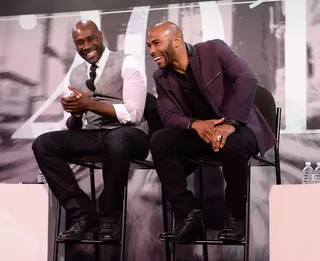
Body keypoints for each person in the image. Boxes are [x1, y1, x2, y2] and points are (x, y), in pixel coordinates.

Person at [146, 22, 276, 242]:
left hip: (240, 127)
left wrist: (231, 123)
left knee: (232, 142)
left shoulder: (214, 50)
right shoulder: (161, 77)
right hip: (204, 135)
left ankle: (236, 219)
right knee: (160, 140)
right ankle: (189, 215)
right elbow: (168, 115)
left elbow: (247, 78)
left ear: (176, 40)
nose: (151, 51)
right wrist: (195, 124)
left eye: (156, 43)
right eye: (149, 46)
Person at [32, 20, 149, 241]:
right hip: (95, 134)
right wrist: (76, 115)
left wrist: (90, 105)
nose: (86, 46)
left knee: (117, 141)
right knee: (43, 144)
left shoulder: (126, 62)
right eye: (79, 43)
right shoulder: (75, 74)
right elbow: (70, 124)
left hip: (131, 135)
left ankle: (109, 219)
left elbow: (134, 114)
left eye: (90, 39)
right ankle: (82, 215)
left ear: (100, 36)